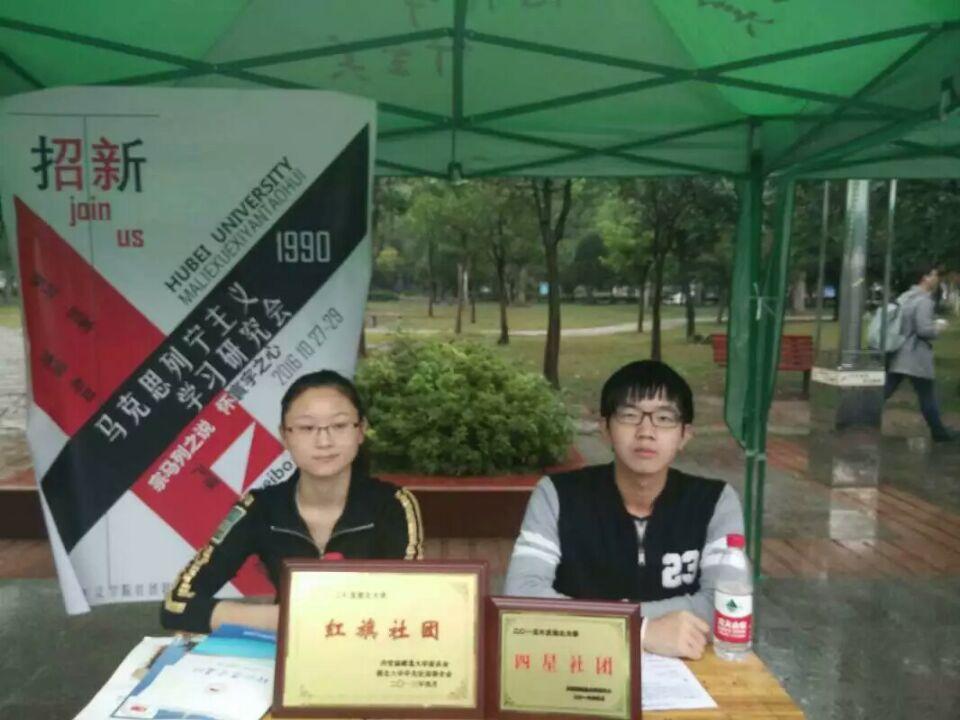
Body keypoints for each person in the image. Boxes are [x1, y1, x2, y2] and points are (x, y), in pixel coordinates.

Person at [504, 360, 743, 660]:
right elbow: (520, 596)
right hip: (579, 666)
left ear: (684, 435)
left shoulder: (714, 501)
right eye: (630, 416)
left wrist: (585, 619)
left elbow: (728, 606)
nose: (646, 432)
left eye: (664, 418)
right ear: (605, 429)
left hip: (689, 672)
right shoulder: (557, 495)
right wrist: (639, 630)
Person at [160, 370, 423, 633]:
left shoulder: (392, 505)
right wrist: (285, 618)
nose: (324, 441)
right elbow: (177, 605)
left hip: (368, 648)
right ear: (285, 436)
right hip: (285, 647)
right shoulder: (261, 508)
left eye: (340, 425)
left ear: (361, 430)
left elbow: (414, 601)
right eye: (307, 428)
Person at [885, 266, 957, 442]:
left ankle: (859, 419)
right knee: (927, 395)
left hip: (898, 352)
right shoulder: (924, 300)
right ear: (925, 278)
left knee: (885, 390)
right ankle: (939, 433)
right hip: (916, 356)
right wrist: (938, 327)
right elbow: (924, 330)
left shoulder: (905, 297)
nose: (937, 279)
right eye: (934, 275)